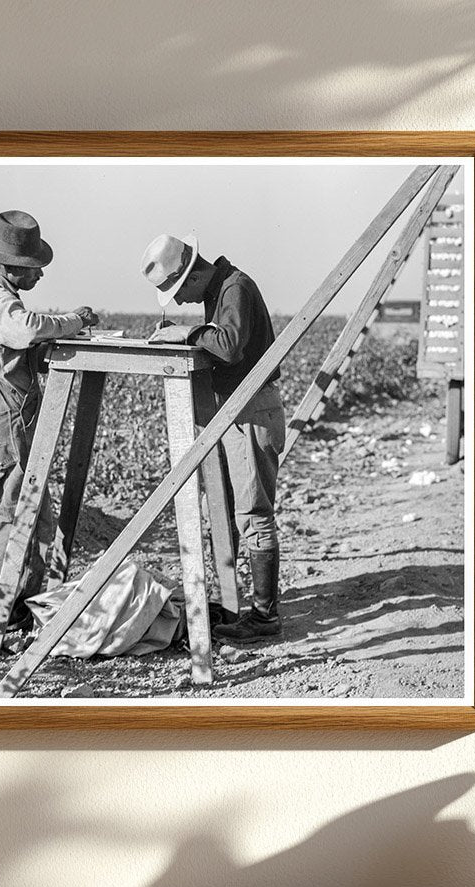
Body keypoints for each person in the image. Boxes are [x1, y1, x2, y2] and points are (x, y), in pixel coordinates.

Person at [140, 233, 285, 643]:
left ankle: (264, 616)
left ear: (191, 276)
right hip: (240, 409)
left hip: (252, 409)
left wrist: (187, 333)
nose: (181, 301)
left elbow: (229, 345)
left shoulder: (234, 287)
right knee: (229, 506)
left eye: (178, 292)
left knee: (253, 511)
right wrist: (191, 331)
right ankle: (239, 604)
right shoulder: (220, 289)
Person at [0, 210, 98, 642]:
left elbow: (10, 353)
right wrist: (74, 321)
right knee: (17, 519)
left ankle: (20, 609)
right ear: (11, 267)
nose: (39, 274)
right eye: (34, 268)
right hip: (7, 429)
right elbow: (24, 329)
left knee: (32, 516)